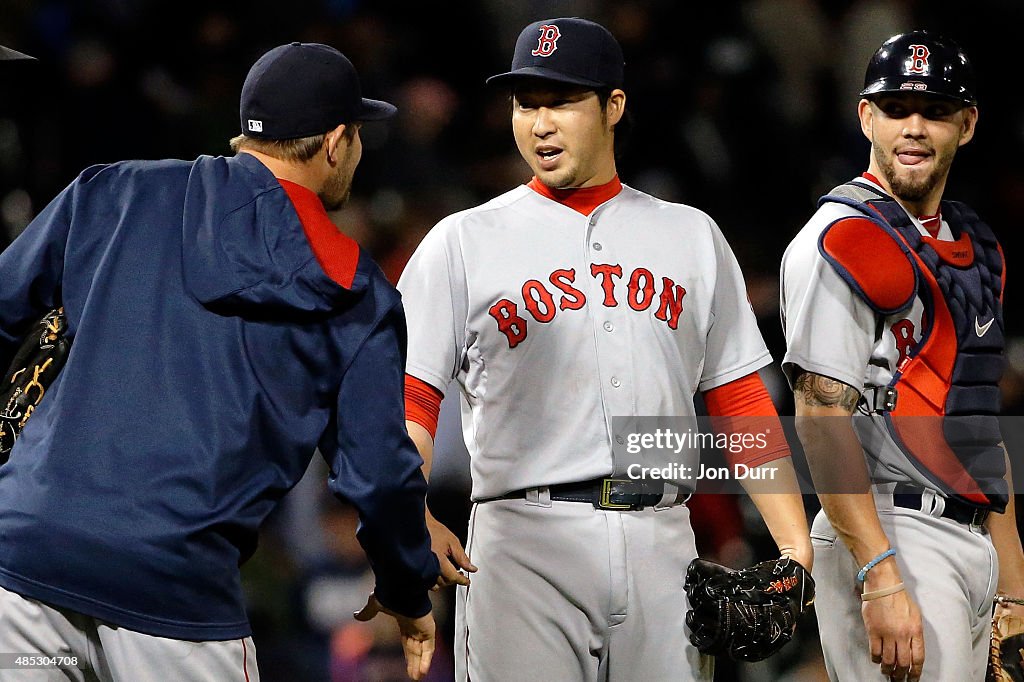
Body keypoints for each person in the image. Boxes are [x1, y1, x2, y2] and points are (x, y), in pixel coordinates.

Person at [0, 42, 440, 681]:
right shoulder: (351, 292)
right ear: (337, 142)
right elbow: (377, 474)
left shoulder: (115, 192)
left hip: (25, 567)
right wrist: (407, 586)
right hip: (173, 602)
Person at [398, 17, 812, 681]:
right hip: (521, 540)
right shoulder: (462, 241)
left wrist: (794, 545)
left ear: (613, 106)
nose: (540, 123)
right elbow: (414, 403)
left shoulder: (690, 236)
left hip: (661, 538)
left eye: (561, 101)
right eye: (526, 104)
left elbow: (737, 401)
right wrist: (406, 515)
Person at [781, 30, 1024, 681]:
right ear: (866, 116)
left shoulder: (975, 245)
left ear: (967, 124)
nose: (913, 128)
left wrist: (1014, 592)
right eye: (895, 109)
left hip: (971, 536)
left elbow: (979, 421)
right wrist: (878, 572)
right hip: (888, 526)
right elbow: (820, 418)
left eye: (935, 111)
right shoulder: (841, 238)